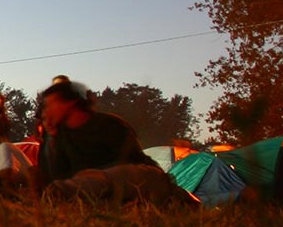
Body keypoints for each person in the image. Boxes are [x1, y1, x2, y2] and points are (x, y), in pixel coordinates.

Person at [36, 81, 186, 204]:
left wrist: (86, 179)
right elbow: (55, 177)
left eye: (50, 104)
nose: (46, 111)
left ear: (70, 102)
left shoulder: (108, 124)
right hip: (92, 191)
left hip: (140, 180)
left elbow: (128, 166)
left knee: (105, 178)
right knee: (73, 186)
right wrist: (52, 142)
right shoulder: (58, 138)